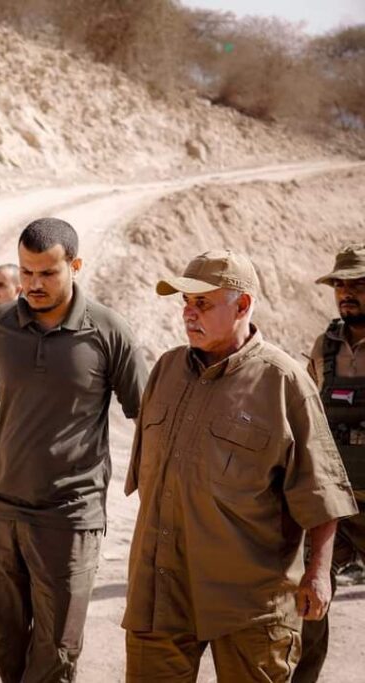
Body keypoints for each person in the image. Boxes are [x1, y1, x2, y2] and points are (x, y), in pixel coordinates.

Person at [122, 249, 357, 682]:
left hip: (250, 604)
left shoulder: (283, 382)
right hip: (161, 592)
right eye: (186, 303)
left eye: (203, 303)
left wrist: (318, 574)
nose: (189, 314)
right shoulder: (166, 370)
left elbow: (321, 493)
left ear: (242, 305)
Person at [0, 217, 147, 682]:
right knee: (6, 651)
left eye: (47, 273)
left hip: (70, 519)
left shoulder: (109, 330)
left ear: (75, 266)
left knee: (55, 655)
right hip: (2, 513)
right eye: (26, 272)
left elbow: (148, 419)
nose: (33, 284)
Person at [293, 243, 365, 682]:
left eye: (358, 284)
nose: (346, 293)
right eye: (340, 284)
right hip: (334, 503)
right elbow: (308, 415)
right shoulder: (326, 344)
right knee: (307, 599)